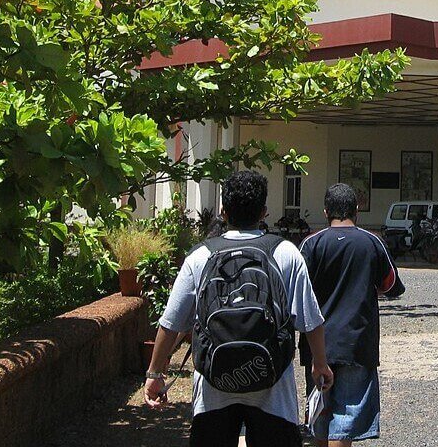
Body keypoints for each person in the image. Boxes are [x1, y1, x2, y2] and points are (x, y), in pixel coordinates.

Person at [144, 169, 334, 447]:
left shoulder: (200, 255)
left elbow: (171, 323)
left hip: (213, 389)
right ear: (264, 212)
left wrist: (154, 374)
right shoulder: (285, 253)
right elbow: (311, 320)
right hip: (273, 387)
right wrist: (320, 364)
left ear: (223, 211)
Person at [300, 183, 405, 445]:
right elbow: (391, 285)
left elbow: (296, 292)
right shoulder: (372, 242)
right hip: (356, 343)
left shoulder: (311, 244)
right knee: (344, 422)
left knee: (320, 418)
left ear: (326, 211)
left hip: (317, 344)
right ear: (356, 210)